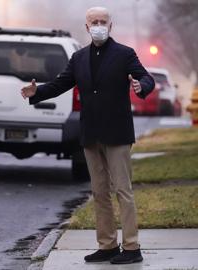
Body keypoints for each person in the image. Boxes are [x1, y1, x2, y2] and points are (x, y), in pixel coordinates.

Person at [21, 7, 154, 265]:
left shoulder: (125, 54)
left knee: (123, 191)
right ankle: (107, 245)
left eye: (103, 21)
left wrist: (141, 86)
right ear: (86, 26)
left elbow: (145, 77)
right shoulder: (79, 57)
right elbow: (61, 83)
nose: (98, 25)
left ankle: (132, 246)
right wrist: (36, 93)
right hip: (91, 134)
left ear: (111, 25)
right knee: (99, 192)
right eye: (94, 21)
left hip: (117, 134)